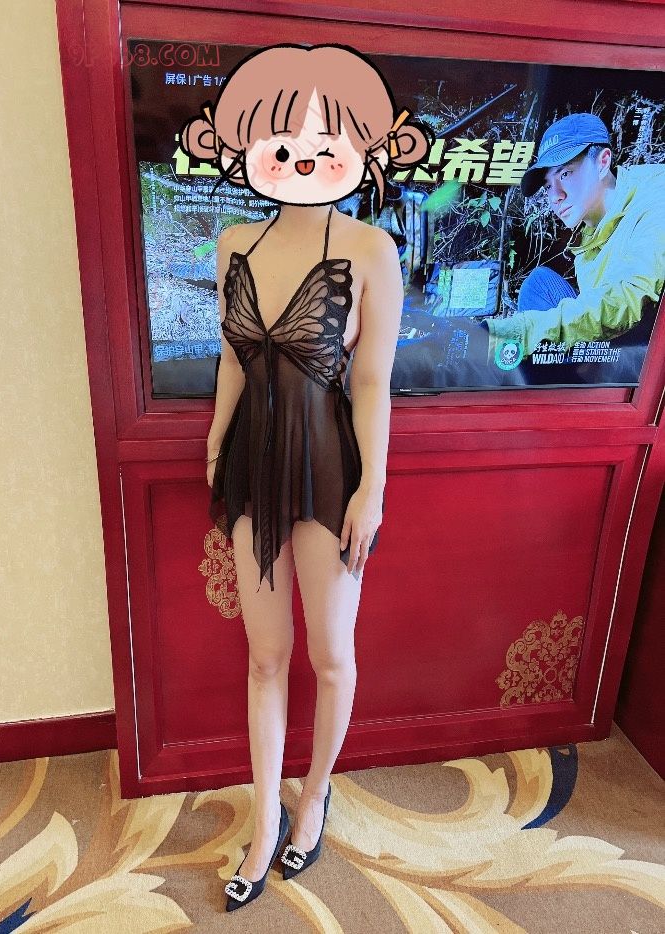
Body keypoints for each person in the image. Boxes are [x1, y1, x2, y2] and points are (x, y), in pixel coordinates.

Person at [179, 43, 430, 911]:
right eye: (282, 142)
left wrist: (374, 488)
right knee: (265, 657)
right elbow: (231, 359)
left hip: (329, 467)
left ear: (360, 147)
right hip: (251, 462)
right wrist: (215, 440)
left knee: (330, 655)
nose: (301, 158)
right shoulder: (232, 244)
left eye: (326, 141)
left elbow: (373, 382)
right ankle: (263, 823)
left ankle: (315, 794)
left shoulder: (370, 248)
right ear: (250, 147)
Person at [479, 112, 665, 372]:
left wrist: (519, 331)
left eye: (565, 174)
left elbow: (626, 300)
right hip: (621, 348)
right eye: (547, 186)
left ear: (602, 162)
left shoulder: (656, 198)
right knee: (539, 284)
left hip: (650, 366)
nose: (555, 196)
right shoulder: (590, 232)